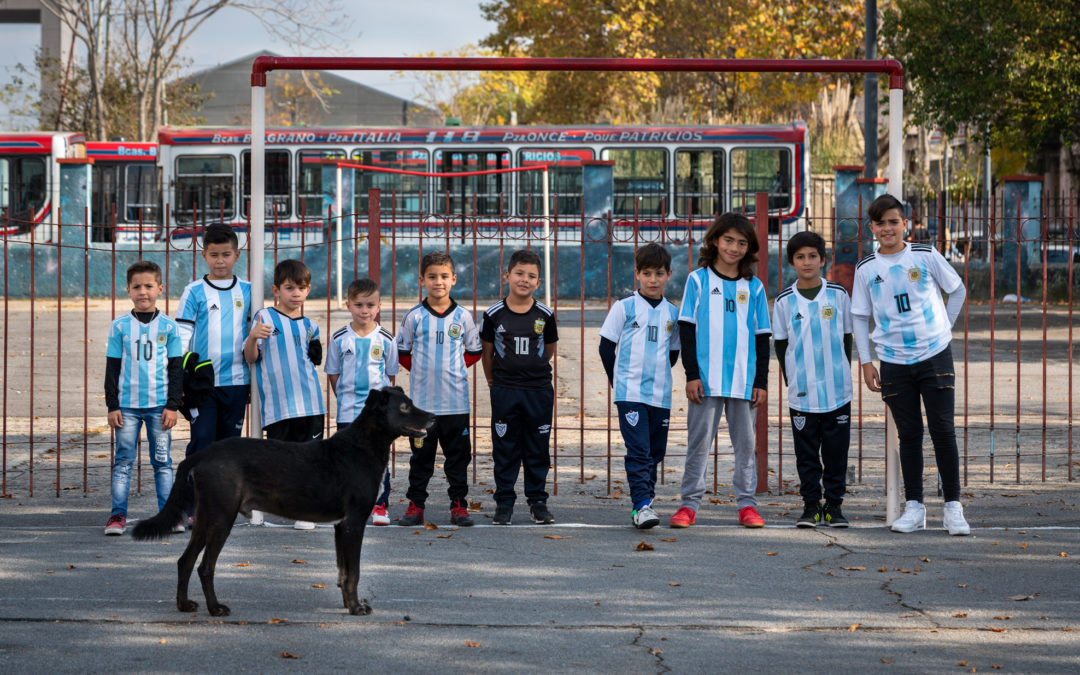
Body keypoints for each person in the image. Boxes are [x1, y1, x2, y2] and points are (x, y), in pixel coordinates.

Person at [853, 194, 970, 535]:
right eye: (880, 223)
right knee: (909, 435)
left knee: (943, 431)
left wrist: (943, 328)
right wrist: (866, 361)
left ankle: (953, 508)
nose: (887, 228)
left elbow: (958, 289)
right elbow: (860, 317)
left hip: (934, 355)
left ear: (906, 223)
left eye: (893, 221)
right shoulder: (866, 269)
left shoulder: (925, 254)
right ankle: (914, 507)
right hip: (892, 360)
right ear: (872, 228)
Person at [671, 212, 771, 529]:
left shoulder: (753, 287)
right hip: (706, 381)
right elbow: (686, 329)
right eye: (728, 240)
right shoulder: (698, 280)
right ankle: (689, 505)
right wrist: (691, 375)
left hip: (743, 382)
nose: (734, 247)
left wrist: (761, 381)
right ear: (715, 240)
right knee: (699, 444)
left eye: (742, 243)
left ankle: (747, 505)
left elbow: (762, 337)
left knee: (746, 446)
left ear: (749, 248)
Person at [772, 231, 853, 528]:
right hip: (803, 393)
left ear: (823, 259)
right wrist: (792, 379)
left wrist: (841, 371)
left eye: (813, 256)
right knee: (806, 456)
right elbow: (781, 346)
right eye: (800, 257)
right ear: (792, 262)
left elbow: (846, 339)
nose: (807, 262)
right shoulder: (784, 301)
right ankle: (810, 506)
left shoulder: (838, 295)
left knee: (836, 454)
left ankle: (833, 506)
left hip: (837, 392)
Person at [396, 251, 482, 527]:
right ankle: (415, 505)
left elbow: (474, 352)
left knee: (458, 459)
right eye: (432, 277)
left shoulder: (463, 317)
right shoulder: (414, 317)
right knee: (421, 458)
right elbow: (402, 352)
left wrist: (453, 369)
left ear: (454, 279)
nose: (438, 282)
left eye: (444, 276)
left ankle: (459, 506)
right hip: (422, 405)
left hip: (455, 404)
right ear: (422, 280)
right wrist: (422, 370)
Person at [598, 243, 680, 529]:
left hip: (660, 394)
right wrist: (616, 378)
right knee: (639, 451)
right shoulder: (624, 307)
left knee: (655, 453)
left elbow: (673, 353)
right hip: (630, 393)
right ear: (637, 274)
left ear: (669, 274)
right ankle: (641, 505)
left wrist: (656, 373)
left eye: (659, 273)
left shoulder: (673, 312)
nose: (653, 279)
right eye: (647, 273)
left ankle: (648, 500)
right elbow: (606, 347)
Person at [245, 259, 326, 530]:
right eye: (289, 287)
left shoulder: (310, 326)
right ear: (276, 289)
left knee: (311, 460)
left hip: (311, 404)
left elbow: (313, 359)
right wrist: (253, 338)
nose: (296, 294)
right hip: (279, 407)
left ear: (308, 290)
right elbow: (251, 358)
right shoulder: (264, 318)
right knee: (280, 463)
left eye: (301, 288)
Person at [104, 261, 183, 536]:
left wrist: (172, 406)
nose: (143, 291)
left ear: (159, 289)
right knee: (123, 461)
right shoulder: (119, 326)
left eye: (149, 286)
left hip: (159, 407)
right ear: (128, 290)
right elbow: (112, 369)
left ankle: (168, 516)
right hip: (126, 408)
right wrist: (113, 405)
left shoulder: (170, 327)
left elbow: (176, 369)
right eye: (137, 286)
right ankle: (117, 516)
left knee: (162, 462)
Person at [479, 250, 558, 526]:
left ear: (539, 282)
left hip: (538, 391)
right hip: (505, 390)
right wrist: (494, 380)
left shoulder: (545, 315)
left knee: (537, 449)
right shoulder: (493, 315)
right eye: (519, 274)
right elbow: (486, 354)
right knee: (506, 448)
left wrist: (531, 371)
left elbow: (548, 350)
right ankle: (504, 503)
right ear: (507, 276)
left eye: (531, 276)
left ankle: (538, 502)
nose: (524, 280)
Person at [325, 278, 399, 526]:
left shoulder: (386, 339)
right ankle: (345, 505)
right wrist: (344, 397)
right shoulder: (339, 338)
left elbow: (389, 376)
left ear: (379, 306)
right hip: (348, 411)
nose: (364, 310)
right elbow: (333, 374)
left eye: (370, 305)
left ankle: (379, 506)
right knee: (345, 461)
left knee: (377, 461)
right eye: (358, 305)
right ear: (348, 305)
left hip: (377, 417)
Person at [176, 224, 251, 459]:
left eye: (226, 255)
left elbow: (255, 334)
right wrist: (177, 380)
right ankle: (192, 493)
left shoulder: (249, 290)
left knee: (230, 447)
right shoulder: (194, 291)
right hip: (202, 383)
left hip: (237, 382)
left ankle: (225, 495)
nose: (220, 261)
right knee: (203, 442)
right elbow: (181, 337)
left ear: (236, 255)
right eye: (214, 255)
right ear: (204, 255)